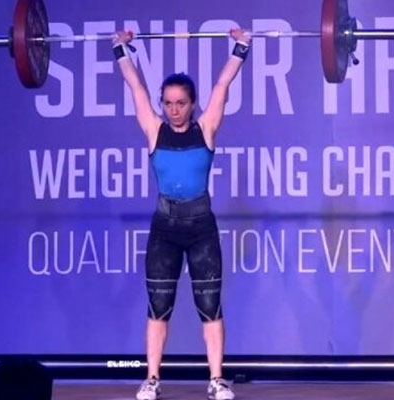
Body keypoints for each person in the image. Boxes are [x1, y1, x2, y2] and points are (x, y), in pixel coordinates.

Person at [113, 27, 251, 400]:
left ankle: (217, 379)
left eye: (181, 103)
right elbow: (135, 87)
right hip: (165, 229)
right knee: (158, 306)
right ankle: (152, 379)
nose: (174, 110)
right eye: (168, 103)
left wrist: (241, 46)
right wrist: (120, 49)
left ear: (193, 105)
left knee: (210, 306)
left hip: (201, 228)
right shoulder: (154, 130)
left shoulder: (206, 129)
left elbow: (222, 85)